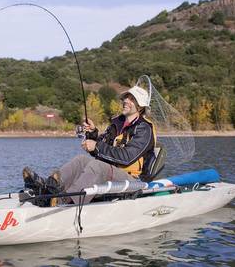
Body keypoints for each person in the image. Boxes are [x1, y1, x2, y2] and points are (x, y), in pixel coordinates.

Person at [23, 85, 156, 205]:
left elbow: (127, 157)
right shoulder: (117, 123)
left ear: (140, 106)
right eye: (126, 97)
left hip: (133, 180)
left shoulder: (144, 129)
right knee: (81, 160)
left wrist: (96, 146)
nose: (126, 101)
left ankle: (64, 200)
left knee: (97, 166)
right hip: (112, 172)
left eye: (132, 99)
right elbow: (102, 147)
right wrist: (92, 134)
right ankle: (47, 188)